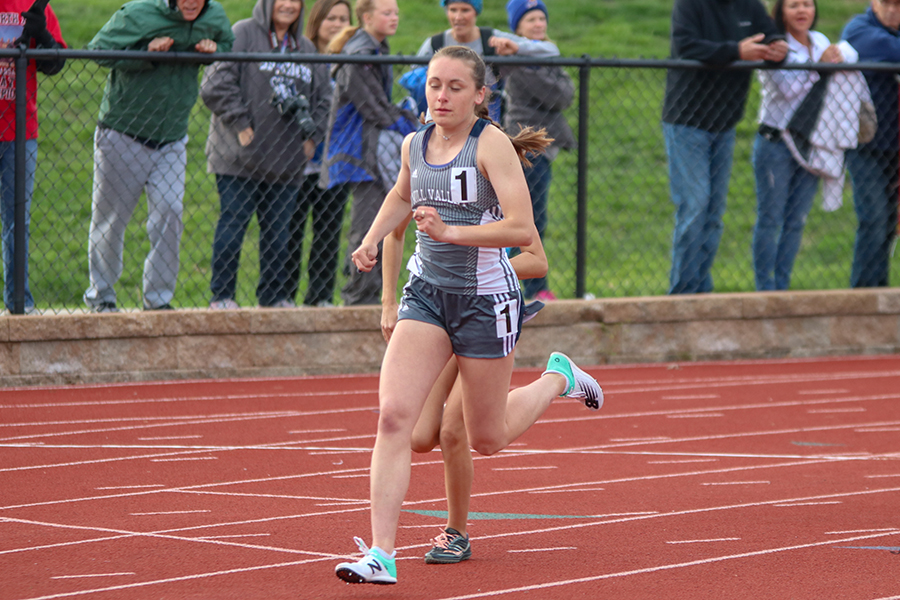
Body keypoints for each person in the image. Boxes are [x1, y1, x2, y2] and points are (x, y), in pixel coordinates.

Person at [333, 45, 603, 585]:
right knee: (395, 419)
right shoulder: (415, 144)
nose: (442, 95)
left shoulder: (492, 145)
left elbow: (523, 232)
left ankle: (558, 378)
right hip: (428, 296)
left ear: (479, 95)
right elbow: (400, 196)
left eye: (455, 87)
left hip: (486, 301)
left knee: (486, 436)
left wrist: (451, 232)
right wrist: (368, 240)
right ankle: (381, 554)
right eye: (435, 84)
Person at [84, 0, 234, 312]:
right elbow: (97, 50)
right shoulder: (137, 13)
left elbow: (227, 43)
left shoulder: (214, 15)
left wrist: (212, 49)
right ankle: (102, 296)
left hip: (172, 139)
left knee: (170, 212)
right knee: (111, 221)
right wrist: (144, 54)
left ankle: (158, 299)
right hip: (123, 133)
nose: (191, 2)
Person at [201, 0, 331, 309]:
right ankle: (222, 297)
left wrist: (312, 137)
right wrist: (241, 123)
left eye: (295, 1)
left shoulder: (306, 48)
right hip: (238, 158)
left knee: (278, 234)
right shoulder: (243, 33)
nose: (288, 5)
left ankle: (272, 298)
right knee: (233, 225)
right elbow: (214, 84)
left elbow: (325, 97)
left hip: (286, 161)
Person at [662, 0, 787, 295]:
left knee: (714, 213)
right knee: (695, 204)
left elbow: (770, 35)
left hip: (725, 122)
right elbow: (686, 46)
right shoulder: (689, 6)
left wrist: (778, 47)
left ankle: (700, 288)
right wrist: (736, 52)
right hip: (686, 120)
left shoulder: (750, 6)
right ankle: (681, 293)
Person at [320, 0, 418, 306]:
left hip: (371, 148)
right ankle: (359, 298)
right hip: (360, 151)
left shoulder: (376, 48)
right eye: (387, 13)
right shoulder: (361, 54)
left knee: (378, 221)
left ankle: (368, 294)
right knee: (368, 226)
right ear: (366, 17)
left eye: (396, 13)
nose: (394, 18)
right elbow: (375, 109)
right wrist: (410, 121)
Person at [752, 0, 847, 291]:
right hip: (776, 142)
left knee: (797, 220)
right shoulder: (774, 46)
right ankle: (765, 289)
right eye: (794, 5)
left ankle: (783, 285)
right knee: (771, 218)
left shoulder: (819, 41)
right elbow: (788, 87)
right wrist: (821, 68)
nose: (802, 11)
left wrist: (834, 62)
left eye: (807, 4)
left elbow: (838, 75)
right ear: (780, 11)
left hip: (812, 142)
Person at [503, 0, 574, 302]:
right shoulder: (516, 60)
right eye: (530, 19)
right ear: (517, 27)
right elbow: (556, 93)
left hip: (542, 150)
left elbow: (567, 93)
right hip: (526, 146)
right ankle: (525, 286)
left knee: (535, 219)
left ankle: (529, 285)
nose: (538, 24)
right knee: (525, 221)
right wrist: (552, 79)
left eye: (541, 18)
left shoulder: (544, 56)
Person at [282, 0, 352, 307]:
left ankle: (320, 297)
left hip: (335, 162)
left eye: (343, 19)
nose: (337, 24)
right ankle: (283, 295)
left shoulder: (353, 59)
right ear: (317, 21)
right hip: (299, 160)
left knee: (328, 232)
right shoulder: (302, 55)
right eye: (331, 18)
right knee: (290, 231)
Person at [0, 0, 65, 314]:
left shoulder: (33, 5)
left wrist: (43, 38)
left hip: (19, 130)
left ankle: (18, 303)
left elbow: (56, 64)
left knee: (17, 221)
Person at [409, 0, 559, 123]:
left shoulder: (491, 39)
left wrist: (517, 47)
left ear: (476, 12)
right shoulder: (436, 43)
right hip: (444, 116)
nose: (458, 16)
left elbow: (551, 50)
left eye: (465, 10)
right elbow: (414, 77)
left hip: (486, 115)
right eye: (453, 10)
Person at [841, 0, 900, 288]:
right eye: (886, 3)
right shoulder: (859, 29)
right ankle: (862, 294)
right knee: (874, 217)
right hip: (865, 146)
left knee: (889, 223)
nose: (892, 10)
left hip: (896, 150)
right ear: (873, 3)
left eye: (898, 4)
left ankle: (879, 291)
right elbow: (888, 49)